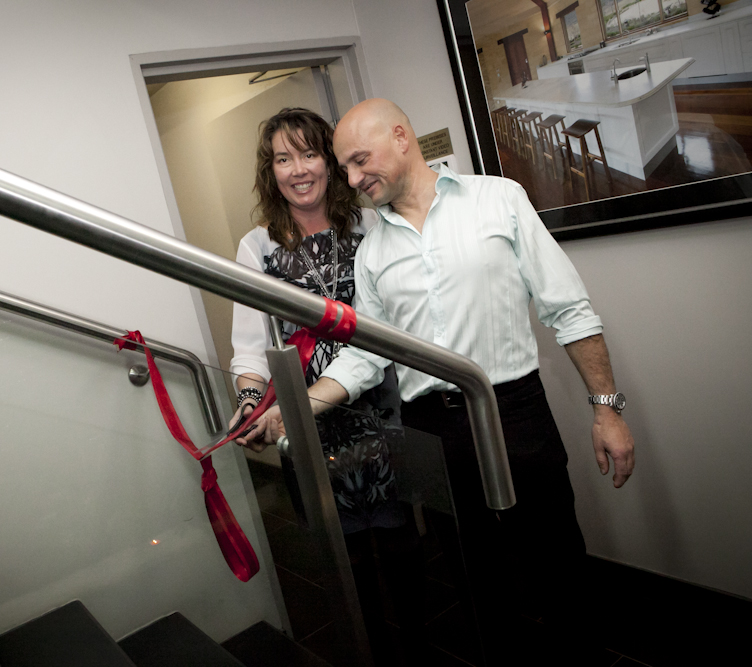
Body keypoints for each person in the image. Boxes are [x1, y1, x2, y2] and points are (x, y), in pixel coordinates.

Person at [244, 99, 635, 664]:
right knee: (477, 579)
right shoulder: (373, 251)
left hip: (516, 413)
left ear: (401, 138)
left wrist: (607, 409)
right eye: (345, 168)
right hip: (434, 430)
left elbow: (569, 309)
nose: (351, 179)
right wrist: (300, 405)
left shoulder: (498, 198)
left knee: (557, 562)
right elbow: (365, 357)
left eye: (358, 161)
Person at [229, 107, 423, 664]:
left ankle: (414, 646)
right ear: (271, 172)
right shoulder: (257, 247)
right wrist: (249, 400)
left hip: (382, 407)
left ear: (331, 161)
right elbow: (249, 345)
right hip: (307, 421)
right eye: (282, 159)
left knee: (401, 539)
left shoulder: (368, 224)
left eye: (308, 153)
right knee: (346, 555)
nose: (297, 170)